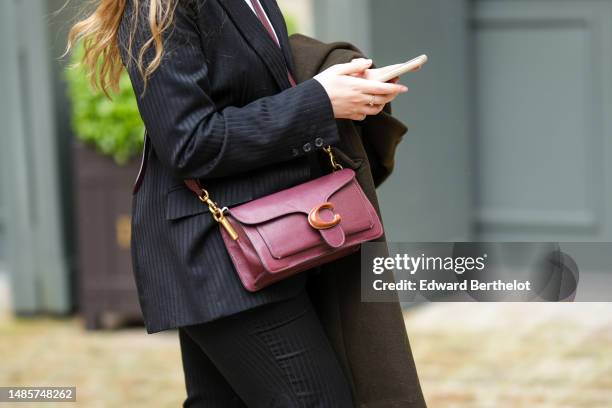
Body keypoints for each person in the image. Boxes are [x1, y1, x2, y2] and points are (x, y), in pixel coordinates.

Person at [67, 0, 416, 406]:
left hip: (266, 240)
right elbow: (189, 143)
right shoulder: (160, 6)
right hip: (220, 253)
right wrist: (319, 102)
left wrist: (339, 85)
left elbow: (248, 86)